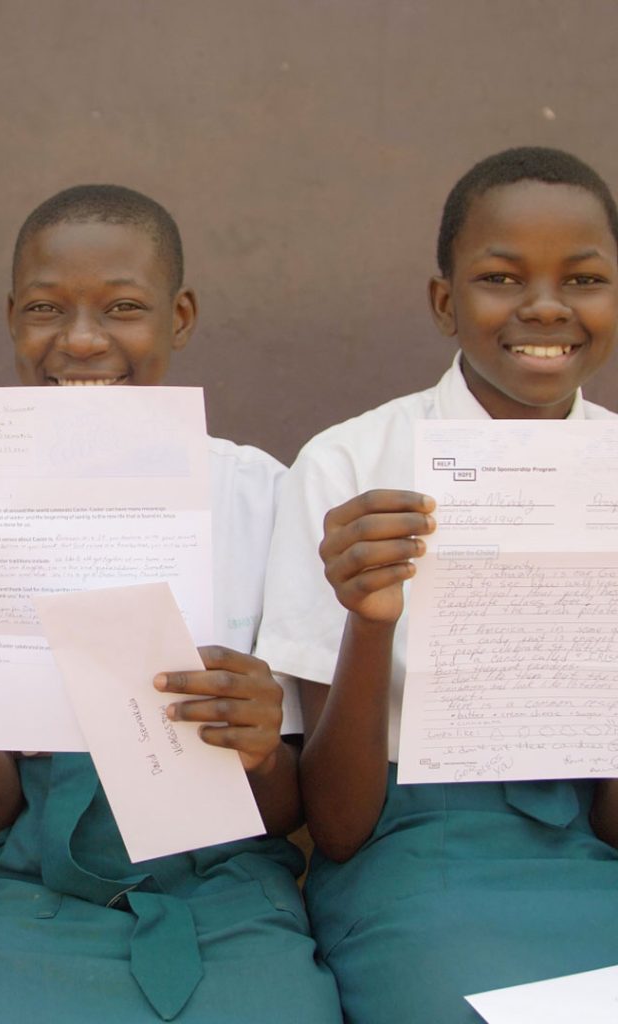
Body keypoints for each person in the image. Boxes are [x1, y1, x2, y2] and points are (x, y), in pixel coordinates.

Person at [0, 185, 342, 1023]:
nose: (80, 340)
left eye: (123, 307)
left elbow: (285, 811)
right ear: (11, 318)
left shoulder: (261, 497)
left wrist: (260, 752)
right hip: (24, 890)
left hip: (225, 891)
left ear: (180, 317)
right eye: (46, 308)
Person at [256, 146, 618, 1024]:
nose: (546, 307)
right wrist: (369, 623)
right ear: (444, 301)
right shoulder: (349, 469)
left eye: (584, 279)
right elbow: (338, 828)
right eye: (500, 277)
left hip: (595, 845)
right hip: (412, 854)